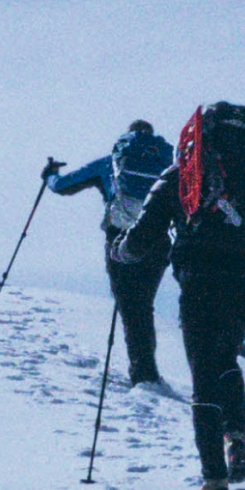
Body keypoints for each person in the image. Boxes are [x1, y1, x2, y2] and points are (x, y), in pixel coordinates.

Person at [117, 102, 245, 490]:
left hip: (199, 285)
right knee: (225, 359)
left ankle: (214, 480)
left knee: (203, 374)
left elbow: (144, 232)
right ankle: (236, 436)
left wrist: (122, 252)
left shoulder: (184, 174)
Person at [43, 119, 177, 390]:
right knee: (143, 305)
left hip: (120, 239)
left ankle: (144, 376)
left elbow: (64, 185)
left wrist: (49, 175)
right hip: (158, 241)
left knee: (131, 307)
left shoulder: (111, 163)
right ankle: (146, 372)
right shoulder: (167, 166)